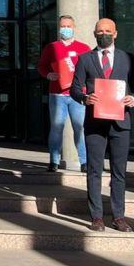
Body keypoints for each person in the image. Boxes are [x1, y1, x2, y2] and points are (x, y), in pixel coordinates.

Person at [70, 18, 134, 232]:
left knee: (119, 172)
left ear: (116, 33)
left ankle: (118, 216)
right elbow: (75, 88)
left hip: (120, 122)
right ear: (94, 33)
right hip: (95, 122)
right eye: (100, 31)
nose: (104, 34)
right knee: (94, 170)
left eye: (108, 31)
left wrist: (133, 99)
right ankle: (97, 216)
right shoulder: (85, 59)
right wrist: (84, 98)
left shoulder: (127, 58)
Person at [37, 15, 91, 173]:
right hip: (57, 95)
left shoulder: (84, 48)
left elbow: (90, 70)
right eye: (63, 26)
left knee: (79, 128)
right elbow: (42, 66)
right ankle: (54, 161)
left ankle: (84, 161)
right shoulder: (51, 47)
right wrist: (48, 75)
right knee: (56, 128)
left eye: (68, 26)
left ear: (74, 28)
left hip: (78, 95)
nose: (65, 29)